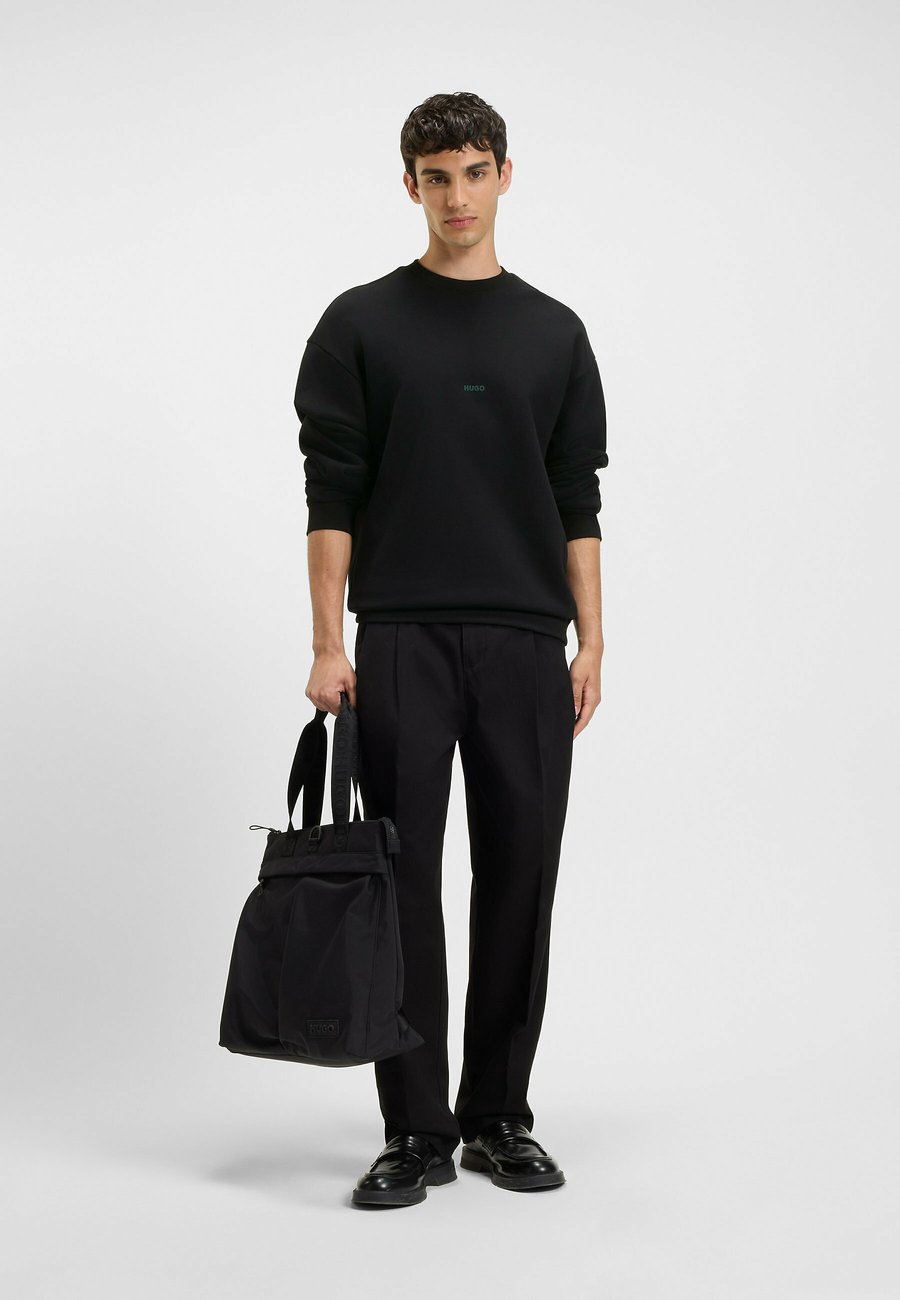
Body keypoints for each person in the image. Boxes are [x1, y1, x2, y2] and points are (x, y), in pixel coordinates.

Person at [294, 90, 608, 1208]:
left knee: (521, 873)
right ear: (410, 185)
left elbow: (576, 498)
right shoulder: (359, 324)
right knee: (403, 877)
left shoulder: (555, 332)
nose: (457, 196)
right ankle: (415, 1129)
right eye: (437, 177)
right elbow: (331, 494)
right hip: (401, 637)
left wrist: (593, 638)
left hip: (526, 639)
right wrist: (328, 641)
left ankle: (498, 1116)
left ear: (504, 176)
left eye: (475, 172)